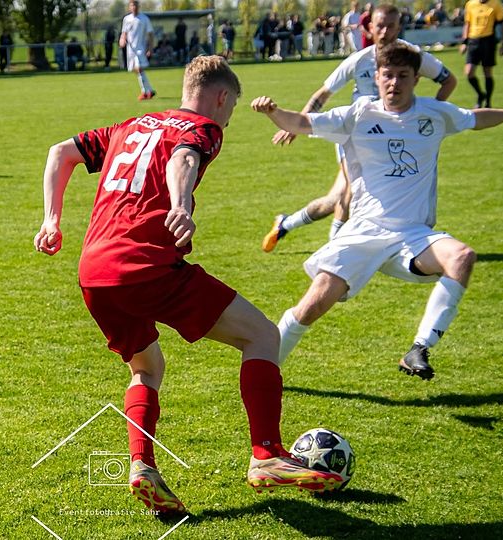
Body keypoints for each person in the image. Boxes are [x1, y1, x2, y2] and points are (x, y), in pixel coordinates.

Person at [34, 55, 344, 515]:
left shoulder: (131, 125)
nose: (228, 118)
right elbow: (183, 157)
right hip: (146, 266)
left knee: (146, 368)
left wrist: (51, 220)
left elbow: (60, 152)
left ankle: (142, 467)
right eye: (231, 107)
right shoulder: (203, 127)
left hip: (95, 272)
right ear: (221, 97)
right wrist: (180, 205)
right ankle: (266, 454)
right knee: (262, 335)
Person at [252, 42, 503, 380]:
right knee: (312, 306)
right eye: (388, 75)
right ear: (377, 78)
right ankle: (263, 371)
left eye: (403, 76)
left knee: (462, 257)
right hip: (363, 232)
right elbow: (303, 122)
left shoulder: (434, 113)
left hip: (412, 235)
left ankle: (418, 349)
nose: (394, 83)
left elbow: (476, 118)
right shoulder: (357, 114)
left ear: (416, 79)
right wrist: (273, 112)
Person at [263, 5, 457, 253]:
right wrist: (296, 124)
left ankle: (286, 223)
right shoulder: (360, 60)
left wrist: (430, 115)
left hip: (392, 137)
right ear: (370, 28)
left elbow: (449, 80)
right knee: (350, 190)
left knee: (336, 198)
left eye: (391, 26)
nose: (385, 32)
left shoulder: (414, 57)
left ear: (399, 27)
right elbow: (323, 94)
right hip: (356, 135)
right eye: (380, 26)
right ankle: (335, 251)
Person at [460, 0, 503, 107]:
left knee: (487, 72)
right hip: (473, 41)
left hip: (488, 41)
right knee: (469, 72)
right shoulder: (470, 4)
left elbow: (502, 24)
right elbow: (467, 24)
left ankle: (488, 102)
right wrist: (464, 42)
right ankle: (480, 95)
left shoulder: (496, 4)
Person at [120, 0, 156, 100]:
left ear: (138, 6)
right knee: (135, 70)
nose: (134, 7)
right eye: (132, 5)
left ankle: (144, 92)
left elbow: (150, 34)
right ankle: (150, 90)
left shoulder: (144, 19)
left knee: (139, 68)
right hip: (130, 50)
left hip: (141, 49)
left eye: (135, 5)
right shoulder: (126, 19)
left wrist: (150, 48)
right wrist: (122, 40)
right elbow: (124, 33)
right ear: (129, 7)